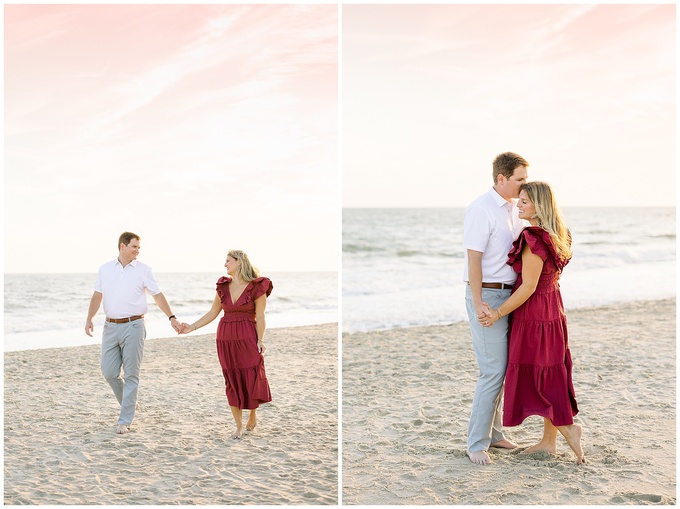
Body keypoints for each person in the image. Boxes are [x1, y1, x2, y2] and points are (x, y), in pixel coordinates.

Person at [482, 181, 584, 464]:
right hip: (554, 311)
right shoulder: (561, 234)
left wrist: (498, 312)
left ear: (540, 206)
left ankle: (567, 430)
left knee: (538, 373)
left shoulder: (533, 238)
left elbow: (527, 287)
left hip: (535, 314)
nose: (519, 205)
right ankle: (548, 442)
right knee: (552, 372)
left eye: (525, 201)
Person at [463, 151, 530, 465]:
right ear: (501, 178)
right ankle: (476, 443)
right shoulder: (481, 209)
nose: (523, 185)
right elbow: (473, 262)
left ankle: (495, 433)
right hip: (487, 296)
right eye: (519, 179)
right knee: (491, 371)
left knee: (504, 368)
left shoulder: (517, 209)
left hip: (512, 296)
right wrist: (478, 304)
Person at [85, 232, 181, 434]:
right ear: (122, 246)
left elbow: (157, 295)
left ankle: (124, 420)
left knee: (131, 374)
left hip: (134, 326)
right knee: (109, 372)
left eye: (139, 247)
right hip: (110, 326)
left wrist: (171, 317)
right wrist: (89, 318)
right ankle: (130, 402)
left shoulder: (144, 270)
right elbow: (97, 295)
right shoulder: (105, 269)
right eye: (134, 247)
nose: (137, 250)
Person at [180, 250, 272, 439]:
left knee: (251, 376)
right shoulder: (223, 286)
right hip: (225, 338)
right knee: (231, 379)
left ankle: (252, 414)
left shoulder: (257, 286)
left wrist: (260, 340)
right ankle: (238, 425)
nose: (225, 264)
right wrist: (192, 327)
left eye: (228, 261)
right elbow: (213, 312)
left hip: (248, 336)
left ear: (239, 262)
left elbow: (261, 316)